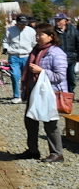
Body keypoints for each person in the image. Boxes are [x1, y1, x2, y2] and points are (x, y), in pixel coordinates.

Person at [17, 23, 69, 163]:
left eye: (41, 34)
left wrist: (42, 71)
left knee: (50, 123)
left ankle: (57, 153)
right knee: (30, 121)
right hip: (34, 91)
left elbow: (60, 76)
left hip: (50, 93)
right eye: (37, 34)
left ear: (51, 36)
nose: (38, 37)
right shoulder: (36, 50)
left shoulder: (56, 53)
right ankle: (33, 150)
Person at [2, 15, 37, 103]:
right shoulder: (10, 30)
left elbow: (34, 43)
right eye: (20, 24)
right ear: (16, 23)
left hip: (27, 55)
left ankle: (26, 95)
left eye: (24, 24)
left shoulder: (31, 31)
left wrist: (35, 54)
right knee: (15, 75)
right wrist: (5, 48)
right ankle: (16, 96)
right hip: (14, 56)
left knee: (27, 77)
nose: (22, 26)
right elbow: (5, 41)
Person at [53, 12, 79, 93]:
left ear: (65, 21)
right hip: (58, 60)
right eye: (56, 20)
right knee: (59, 79)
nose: (57, 22)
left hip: (71, 59)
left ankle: (70, 94)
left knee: (71, 78)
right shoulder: (53, 32)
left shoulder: (73, 31)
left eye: (60, 20)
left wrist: (77, 56)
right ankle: (61, 96)